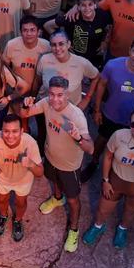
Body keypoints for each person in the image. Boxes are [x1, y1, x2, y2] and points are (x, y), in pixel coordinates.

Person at [21, 75, 94, 253]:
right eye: (52, 94)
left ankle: (74, 229)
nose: (55, 99)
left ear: (67, 95)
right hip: (51, 157)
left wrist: (77, 137)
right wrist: (26, 104)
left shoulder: (76, 116)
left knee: (73, 199)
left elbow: (90, 148)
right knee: (53, 182)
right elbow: (24, 114)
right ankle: (56, 199)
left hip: (70, 167)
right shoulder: (46, 102)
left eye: (60, 95)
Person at [83, 107, 134, 249]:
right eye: (133, 124)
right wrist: (105, 180)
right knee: (103, 209)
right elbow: (108, 156)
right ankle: (98, 226)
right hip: (116, 180)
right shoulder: (118, 135)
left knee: (130, 211)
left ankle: (122, 229)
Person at [0, 113, 44, 241]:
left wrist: (31, 164)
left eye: (15, 131)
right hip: (2, 178)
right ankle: (3, 216)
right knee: (2, 199)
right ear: (1, 131)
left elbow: (40, 173)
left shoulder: (30, 143)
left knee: (21, 203)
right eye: (6, 131)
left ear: (22, 131)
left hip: (23, 180)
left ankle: (18, 220)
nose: (10, 136)